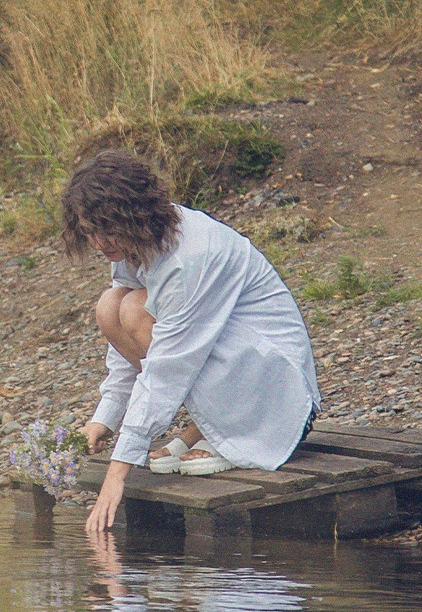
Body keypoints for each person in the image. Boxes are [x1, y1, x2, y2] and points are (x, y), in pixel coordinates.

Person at [64, 148, 320, 540]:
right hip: (231, 363)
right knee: (110, 306)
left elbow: (169, 366)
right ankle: (205, 427)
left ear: (134, 214)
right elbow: (124, 345)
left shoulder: (190, 257)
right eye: (89, 231)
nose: (99, 243)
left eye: (107, 230)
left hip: (277, 395)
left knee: (134, 311)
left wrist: (118, 472)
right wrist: (105, 417)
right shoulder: (134, 244)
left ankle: (235, 434)